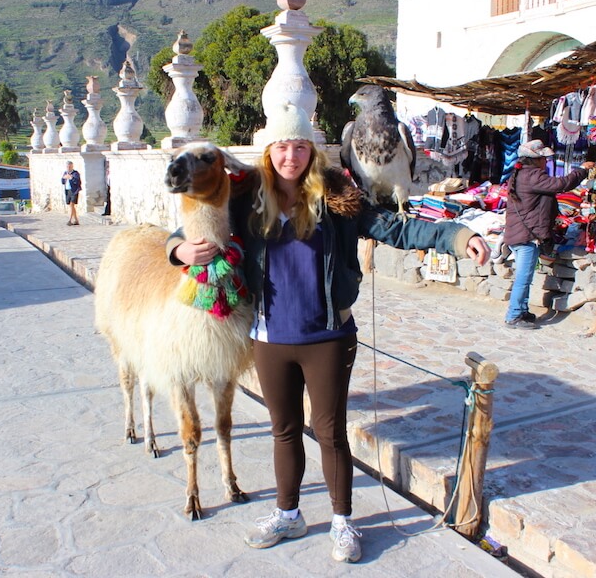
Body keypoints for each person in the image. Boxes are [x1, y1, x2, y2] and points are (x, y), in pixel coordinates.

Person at [167, 103, 489, 564]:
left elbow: (395, 226)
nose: (291, 156)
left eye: (300, 146)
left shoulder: (338, 199)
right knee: (284, 431)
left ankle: (342, 521)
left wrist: (457, 237)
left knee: (330, 432)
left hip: (327, 337)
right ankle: (288, 513)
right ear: (269, 150)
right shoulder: (246, 199)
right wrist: (179, 250)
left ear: (312, 151)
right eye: (282, 146)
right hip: (270, 337)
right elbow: (185, 231)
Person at [504, 139, 595, 329]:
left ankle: (520, 310)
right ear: (535, 160)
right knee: (523, 277)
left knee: (524, 276)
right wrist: (582, 170)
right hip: (526, 235)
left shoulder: (520, 174)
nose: (546, 162)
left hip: (520, 232)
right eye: (544, 159)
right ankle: (514, 316)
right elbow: (562, 183)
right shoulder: (532, 176)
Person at [62, 161, 81, 226]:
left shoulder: (75, 173)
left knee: (72, 204)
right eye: (67, 166)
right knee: (71, 205)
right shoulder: (65, 173)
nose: (68, 168)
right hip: (68, 190)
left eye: (70, 166)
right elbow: (62, 181)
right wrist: (64, 178)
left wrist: (71, 178)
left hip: (74, 191)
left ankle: (70, 220)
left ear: (72, 166)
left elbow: (77, 182)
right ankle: (76, 220)